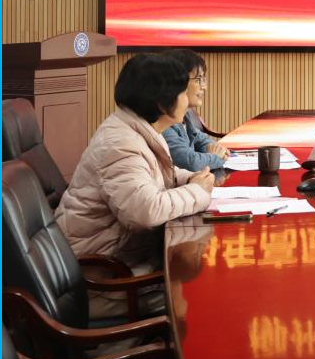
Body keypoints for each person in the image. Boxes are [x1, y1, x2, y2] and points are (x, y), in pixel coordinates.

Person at [55, 53, 216, 317]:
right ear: (161, 101)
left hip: (124, 263)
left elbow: (155, 175)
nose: (187, 100)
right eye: (181, 92)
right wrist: (197, 192)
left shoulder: (137, 128)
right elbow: (146, 211)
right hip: (101, 284)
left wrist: (189, 179)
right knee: (198, 297)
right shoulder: (120, 144)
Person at [162, 48, 231, 171]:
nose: (204, 87)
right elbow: (191, 163)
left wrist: (214, 152)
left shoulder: (186, 114)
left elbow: (201, 139)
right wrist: (215, 157)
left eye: (204, 79)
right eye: (199, 79)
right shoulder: (163, 120)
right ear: (177, 81)